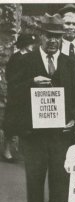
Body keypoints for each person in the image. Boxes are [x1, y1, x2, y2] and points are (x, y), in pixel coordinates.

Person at [8, 13, 75, 202]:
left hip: (61, 136)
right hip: (34, 137)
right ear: (40, 36)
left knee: (60, 185)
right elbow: (12, 93)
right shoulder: (26, 60)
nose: (52, 41)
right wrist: (32, 82)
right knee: (35, 184)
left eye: (57, 37)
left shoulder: (67, 63)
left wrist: (74, 121)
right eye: (48, 36)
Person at [2, 33, 36, 162]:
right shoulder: (16, 58)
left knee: (25, 123)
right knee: (11, 123)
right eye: (30, 44)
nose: (32, 46)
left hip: (28, 94)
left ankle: (22, 150)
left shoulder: (32, 57)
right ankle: (6, 150)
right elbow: (11, 77)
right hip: (16, 95)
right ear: (24, 45)